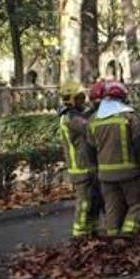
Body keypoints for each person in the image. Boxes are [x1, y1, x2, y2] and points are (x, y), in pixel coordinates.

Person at [86, 81, 140, 237]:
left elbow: (90, 149)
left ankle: (113, 239)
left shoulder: (93, 120)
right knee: (139, 204)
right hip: (129, 172)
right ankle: (128, 235)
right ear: (123, 97)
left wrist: (94, 172)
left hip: (105, 176)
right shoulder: (129, 117)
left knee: (112, 208)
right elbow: (138, 144)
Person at [58, 83, 99, 238]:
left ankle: (92, 229)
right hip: (80, 167)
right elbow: (89, 127)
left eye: (84, 97)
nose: (83, 100)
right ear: (70, 100)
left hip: (87, 165)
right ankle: (80, 233)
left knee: (94, 200)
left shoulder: (76, 114)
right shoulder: (70, 117)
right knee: (84, 202)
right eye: (80, 98)